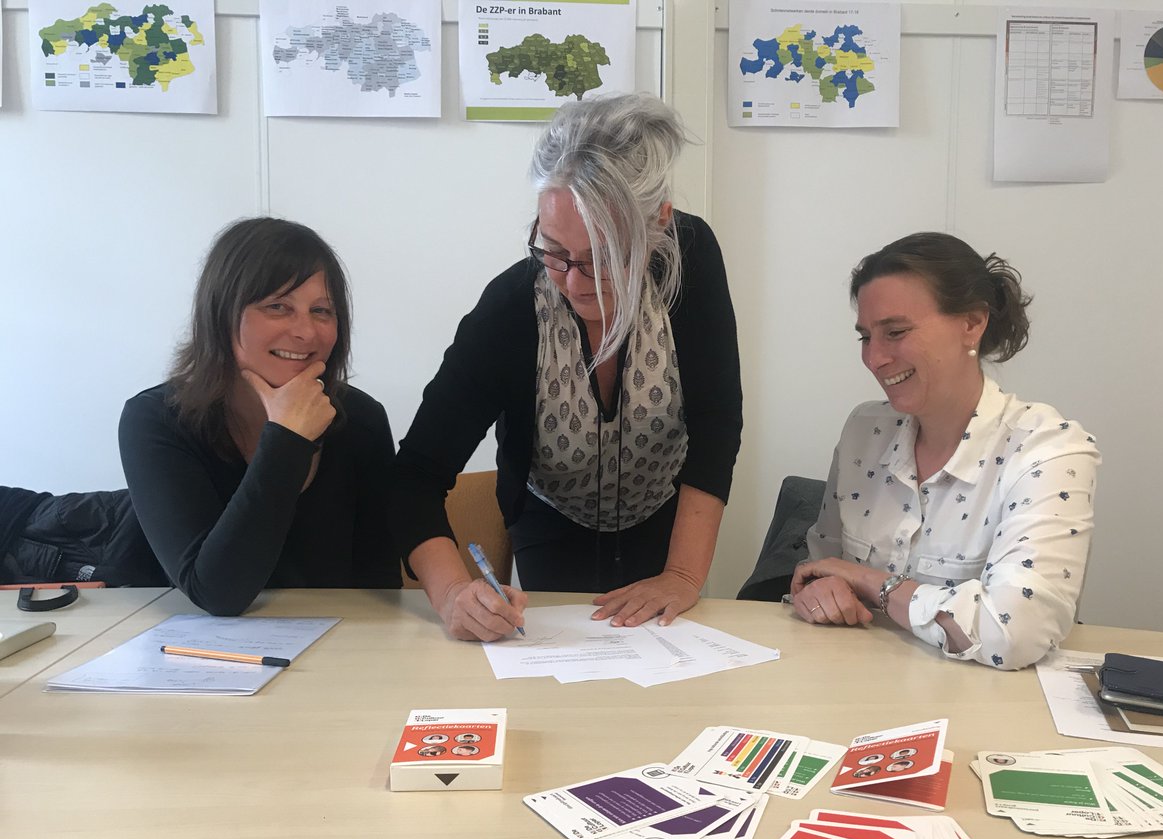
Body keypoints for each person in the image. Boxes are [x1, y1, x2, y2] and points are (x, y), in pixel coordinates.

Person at [396, 93, 742, 642]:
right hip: (550, 516)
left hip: (665, 510)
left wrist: (681, 575)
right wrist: (453, 594)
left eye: (604, 257)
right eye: (554, 251)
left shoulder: (690, 259)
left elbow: (717, 421)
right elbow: (414, 476)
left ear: (659, 225)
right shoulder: (510, 310)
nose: (575, 282)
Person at [790, 233, 1099, 670]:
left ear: (972, 323)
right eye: (865, 337)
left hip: (983, 709)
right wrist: (819, 592)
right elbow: (822, 567)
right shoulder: (864, 430)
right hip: (855, 687)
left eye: (895, 332)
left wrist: (867, 581)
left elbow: (1011, 635)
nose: (874, 358)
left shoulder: (1049, 450)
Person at [119, 217, 402, 615]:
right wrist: (286, 438)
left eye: (322, 311)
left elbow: (380, 590)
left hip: (337, 652)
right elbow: (218, 592)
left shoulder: (362, 420)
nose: (306, 332)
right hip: (200, 656)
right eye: (278, 307)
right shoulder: (156, 421)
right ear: (220, 316)